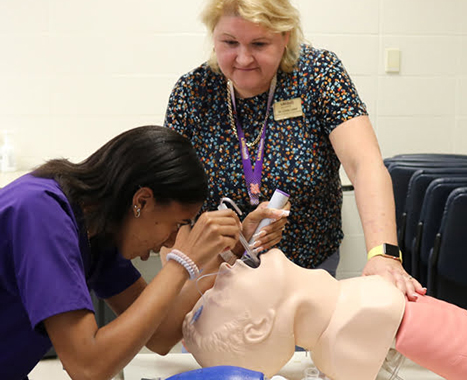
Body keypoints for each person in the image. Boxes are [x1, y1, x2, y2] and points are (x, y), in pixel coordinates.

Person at [164, 0, 423, 298]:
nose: (243, 58)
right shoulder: (193, 92)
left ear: (285, 37)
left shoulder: (318, 75)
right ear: (213, 35)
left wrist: (384, 254)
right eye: (229, 42)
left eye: (259, 44)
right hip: (216, 276)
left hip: (307, 273)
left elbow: (365, 164)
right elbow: (170, 204)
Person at [0, 125, 287, 380]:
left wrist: (231, 251)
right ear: (142, 200)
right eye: (176, 225)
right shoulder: (41, 214)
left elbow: (160, 334)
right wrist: (182, 263)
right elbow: (87, 368)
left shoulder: (96, 231)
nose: (170, 241)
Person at [182, 248, 467, 380]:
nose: (223, 268)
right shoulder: (364, 313)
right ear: (259, 327)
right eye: (219, 294)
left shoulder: (352, 316)